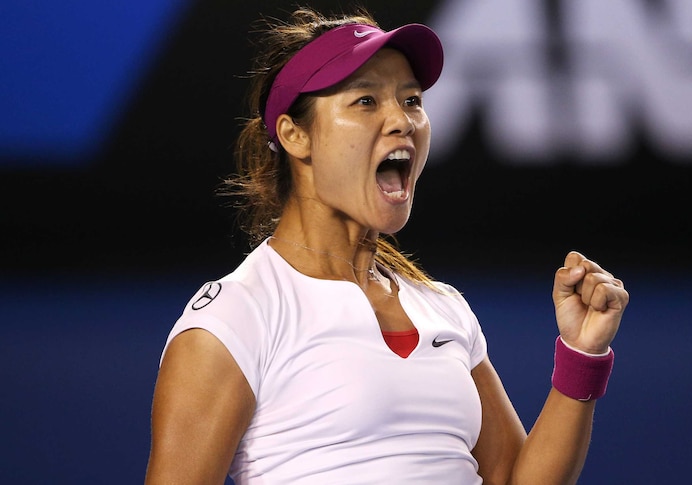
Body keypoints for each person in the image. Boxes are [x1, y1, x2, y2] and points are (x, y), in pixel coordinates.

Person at [145, 6, 629, 485]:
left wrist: (581, 355)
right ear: (295, 136)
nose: (402, 120)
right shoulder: (233, 318)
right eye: (365, 101)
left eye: (412, 100)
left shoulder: (443, 307)